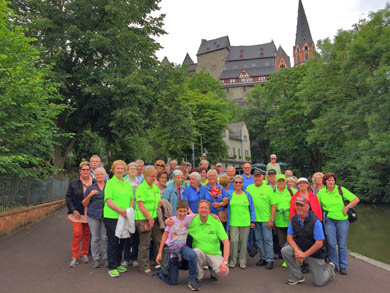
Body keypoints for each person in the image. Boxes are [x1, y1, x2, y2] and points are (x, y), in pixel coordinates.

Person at [281, 196, 335, 286]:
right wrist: (297, 251)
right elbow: (289, 237)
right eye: (297, 205)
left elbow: (319, 243)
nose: (299, 207)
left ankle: (330, 269)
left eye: (302, 205)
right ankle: (297, 277)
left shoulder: (315, 221)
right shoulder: (293, 219)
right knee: (285, 250)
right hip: (301, 247)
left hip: (315, 252)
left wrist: (304, 255)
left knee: (319, 282)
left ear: (307, 206)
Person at [317, 173, 360, 275]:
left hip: (342, 220)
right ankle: (334, 264)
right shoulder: (321, 193)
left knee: (342, 244)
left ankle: (343, 265)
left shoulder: (340, 189)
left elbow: (356, 199)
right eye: (328, 180)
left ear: (335, 181)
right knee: (331, 243)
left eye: (332, 180)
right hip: (329, 220)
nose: (331, 182)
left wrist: (347, 207)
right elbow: (317, 207)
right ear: (325, 182)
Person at [155, 200, 199, 291]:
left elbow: (202, 214)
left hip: (182, 247)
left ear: (187, 210)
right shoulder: (171, 221)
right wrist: (159, 253)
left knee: (193, 255)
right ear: (176, 210)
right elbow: (164, 236)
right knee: (173, 282)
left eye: (184, 211)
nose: (182, 214)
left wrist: (214, 215)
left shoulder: (189, 217)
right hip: (171, 250)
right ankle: (160, 272)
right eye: (180, 211)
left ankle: (192, 280)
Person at [103, 160, 134, 278]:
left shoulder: (127, 183)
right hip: (112, 216)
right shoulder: (110, 183)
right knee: (113, 241)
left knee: (123, 240)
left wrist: (129, 210)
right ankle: (112, 267)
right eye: (118, 168)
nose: (120, 170)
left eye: (122, 168)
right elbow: (108, 201)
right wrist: (121, 211)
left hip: (125, 216)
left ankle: (117, 263)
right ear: (113, 170)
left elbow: (131, 198)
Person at [188, 200, 230, 287]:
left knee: (224, 272)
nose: (203, 210)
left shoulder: (216, 221)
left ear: (209, 210)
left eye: (206, 208)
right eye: (201, 208)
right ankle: (199, 277)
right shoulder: (192, 221)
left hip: (214, 254)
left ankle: (213, 270)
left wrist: (225, 263)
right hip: (200, 254)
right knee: (195, 252)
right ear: (197, 209)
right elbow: (179, 219)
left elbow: (226, 241)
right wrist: (168, 221)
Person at [135, 166, 162, 275]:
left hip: (154, 217)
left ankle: (158, 262)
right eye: (152, 176)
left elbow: (158, 202)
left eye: (155, 176)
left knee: (158, 240)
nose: (154, 178)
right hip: (143, 218)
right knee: (145, 242)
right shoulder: (141, 188)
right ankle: (144, 266)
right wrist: (150, 218)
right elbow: (141, 205)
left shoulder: (155, 188)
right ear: (145, 176)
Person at [66, 161, 93, 267]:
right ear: (80, 171)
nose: (86, 171)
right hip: (77, 213)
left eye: (87, 169)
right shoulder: (74, 183)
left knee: (87, 234)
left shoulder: (94, 182)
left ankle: (84, 253)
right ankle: (75, 256)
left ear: (90, 171)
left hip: (90, 214)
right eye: (83, 170)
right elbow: (68, 197)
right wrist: (73, 210)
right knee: (78, 233)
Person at [246, 170, 275, 269]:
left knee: (268, 240)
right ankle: (263, 258)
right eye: (255, 177)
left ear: (262, 177)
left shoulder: (268, 188)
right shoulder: (249, 188)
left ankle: (270, 259)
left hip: (266, 219)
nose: (257, 178)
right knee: (258, 240)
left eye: (259, 176)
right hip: (254, 220)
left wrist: (272, 219)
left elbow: (273, 205)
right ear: (253, 178)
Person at [226, 175, 256, 269]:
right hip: (233, 221)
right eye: (236, 182)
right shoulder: (229, 194)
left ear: (242, 183)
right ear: (233, 183)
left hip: (245, 222)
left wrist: (252, 221)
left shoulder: (247, 194)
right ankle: (232, 260)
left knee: (243, 242)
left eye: (240, 182)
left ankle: (242, 261)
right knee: (234, 241)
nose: (238, 184)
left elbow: (252, 208)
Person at [82, 167, 108, 268]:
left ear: (105, 176)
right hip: (93, 215)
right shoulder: (90, 188)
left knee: (105, 237)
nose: (99, 176)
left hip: (106, 215)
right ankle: (96, 259)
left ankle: (106, 258)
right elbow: (84, 203)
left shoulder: (109, 187)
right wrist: (90, 196)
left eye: (101, 174)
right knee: (95, 238)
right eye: (97, 175)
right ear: (95, 176)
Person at [271, 174, 296, 263]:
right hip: (278, 219)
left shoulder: (291, 191)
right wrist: (272, 219)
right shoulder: (273, 192)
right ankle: (286, 258)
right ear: (276, 182)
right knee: (281, 241)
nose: (281, 182)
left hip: (290, 219)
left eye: (282, 181)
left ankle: (293, 258)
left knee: (291, 239)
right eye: (279, 181)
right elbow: (271, 205)